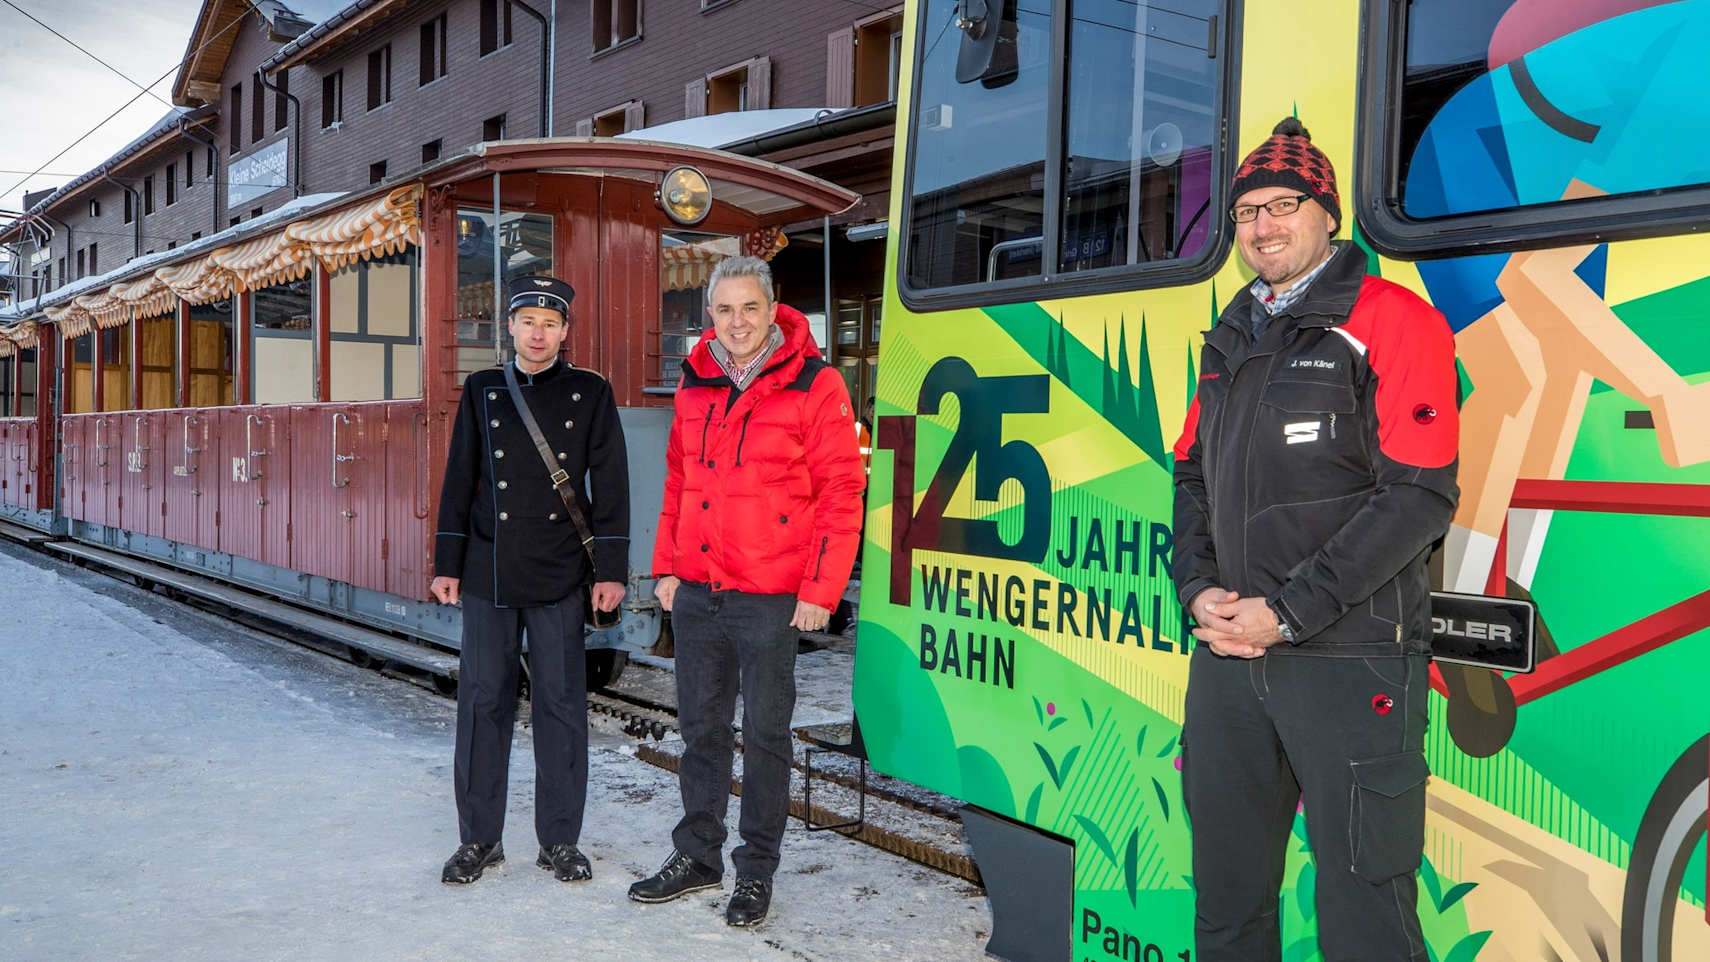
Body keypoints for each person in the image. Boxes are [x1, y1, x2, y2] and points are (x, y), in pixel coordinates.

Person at [1171, 118, 1460, 961]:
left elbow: (1419, 496)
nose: (1261, 226)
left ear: (1328, 214)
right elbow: (1191, 478)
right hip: (1228, 661)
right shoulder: (1229, 335)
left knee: (1366, 911)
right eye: (1245, 212)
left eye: (1282, 205)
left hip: (1350, 659)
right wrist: (1199, 590)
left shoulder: (1395, 320)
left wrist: (1288, 613)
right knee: (1227, 902)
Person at [629, 255, 865, 927]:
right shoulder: (696, 379)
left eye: (750, 308)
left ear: (772, 309)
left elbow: (842, 493)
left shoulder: (815, 383)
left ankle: (755, 871)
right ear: (710, 314)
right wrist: (667, 568)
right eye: (725, 309)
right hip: (698, 589)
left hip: (772, 596)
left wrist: (822, 588)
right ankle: (697, 855)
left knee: (765, 736)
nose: (737, 322)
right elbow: (678, 480)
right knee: (701, 730)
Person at [430, 274, 630, 886]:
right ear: (510, 327)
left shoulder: (591, 390)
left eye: (550, 323)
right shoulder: (483, 388)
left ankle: (560, 841)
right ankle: (479, 839)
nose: (538, 334)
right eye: (527, 322)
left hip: (560, 569)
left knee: (561, 706)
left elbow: (611, 483)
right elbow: (460, 476)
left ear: (565, 331)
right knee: (482, 702)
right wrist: (447, 562)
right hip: (489, 569)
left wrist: (611, 572)